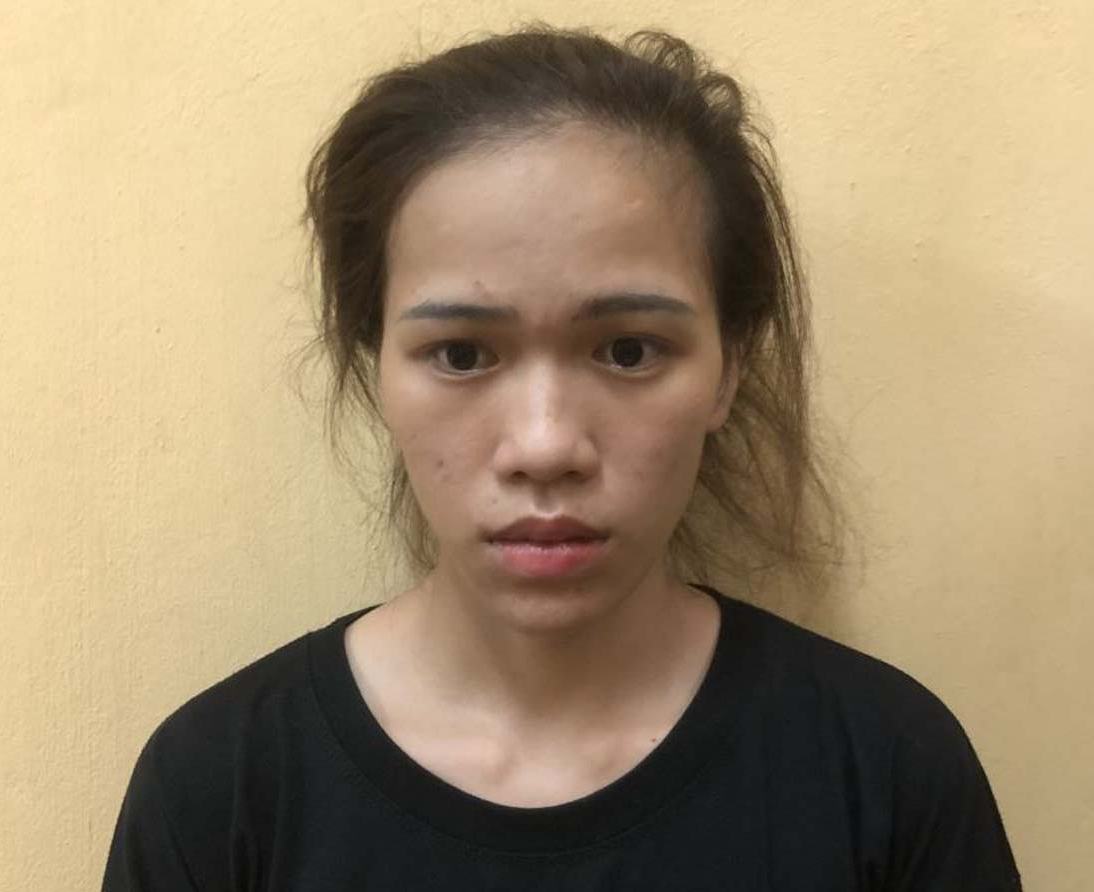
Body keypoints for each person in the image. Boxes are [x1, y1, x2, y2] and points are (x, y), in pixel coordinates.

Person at [102, 23, 1022, 890]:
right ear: (375, 366)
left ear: (729, 370)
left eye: (628, 350)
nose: (544, 446)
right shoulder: (219, 788)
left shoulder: (888, 768)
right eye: (461, 354)